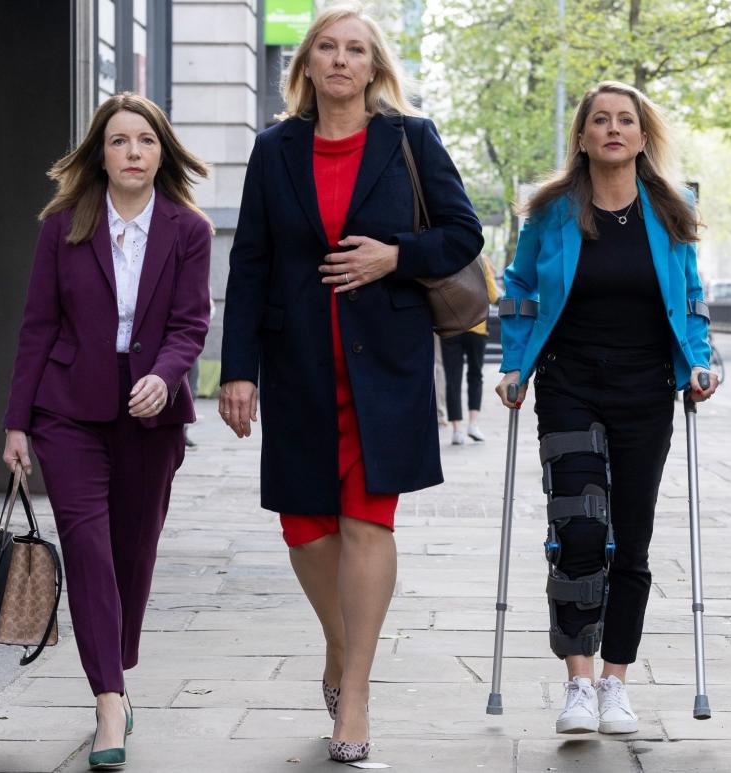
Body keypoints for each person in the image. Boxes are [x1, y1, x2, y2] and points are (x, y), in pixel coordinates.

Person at [217, 3, 482, 763]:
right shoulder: (274, 149)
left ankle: (355, 691)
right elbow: (251, 262)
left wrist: (395, 256)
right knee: (304, 527)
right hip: (298, 361)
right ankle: (341, 645)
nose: (339, 60)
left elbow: (464, 232)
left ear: (374, 68)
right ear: (304, 66)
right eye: (326, 48)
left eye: (355, 50)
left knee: (369, 521)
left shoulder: (410, 138)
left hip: (386, 366)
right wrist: (238, 368)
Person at [495, 81, 718, 736]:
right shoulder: (551, 212)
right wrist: (515, 361)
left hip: (646, 389)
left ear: (643, 138)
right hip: (569, 384)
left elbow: (692, 298)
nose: (614, 129)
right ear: (584, 136)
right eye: (601, 120)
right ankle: (578, 680)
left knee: (632, 540)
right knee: (580, 532)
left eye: (627, 120)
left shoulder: (671, 215)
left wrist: (700, 361)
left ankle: (617, 681)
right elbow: (519, 288)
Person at [2, 92, 212, 769]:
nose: (132, 153)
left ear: (161, 152)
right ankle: (109, 700)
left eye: (144, 141)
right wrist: (17, 424)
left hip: (151, 414)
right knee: (88, 550)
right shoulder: (63, 225)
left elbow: (190, 323)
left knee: (132, 556)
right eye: (119, 141)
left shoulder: (188, 230)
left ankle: (114, 662)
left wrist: (168, 373)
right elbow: (36, 327)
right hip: (67, 410)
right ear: (101, 152)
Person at [442, 255, 500, 444]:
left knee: (453, 378)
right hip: (477, 326)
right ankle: (473, 424)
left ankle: (457, 430)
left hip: (450, 326)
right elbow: (492, 295)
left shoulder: (447, 256)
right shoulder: (482, 260)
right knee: (475, 375)